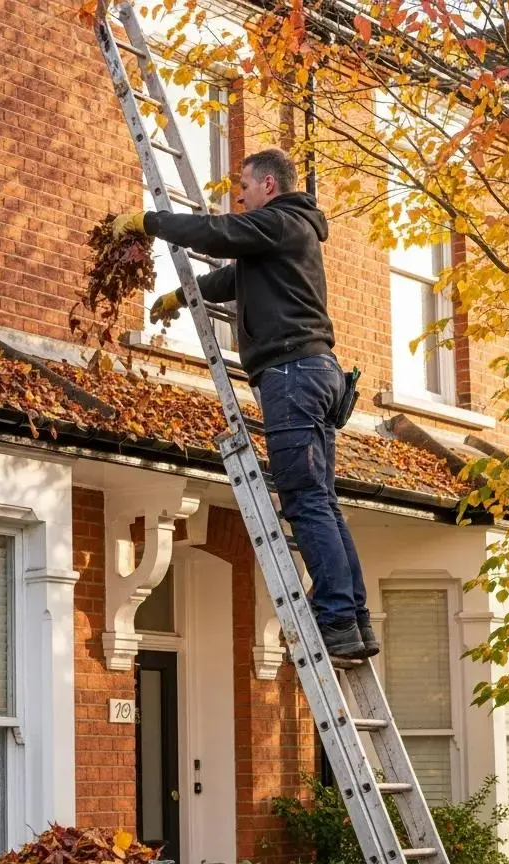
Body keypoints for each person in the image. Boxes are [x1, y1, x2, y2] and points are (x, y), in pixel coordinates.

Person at [111, 147, 378, 660]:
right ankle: (355, 622)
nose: (239, 195)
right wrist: (182, 297)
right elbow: (235, 277)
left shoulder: (280, 223)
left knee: (304, 502)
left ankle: (339, 620)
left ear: (269, 187)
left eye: (245, 186)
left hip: (292, 375)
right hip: (314, 373)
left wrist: (150, 221)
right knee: (322, 502)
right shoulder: (287, 233)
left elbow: (219, 235)